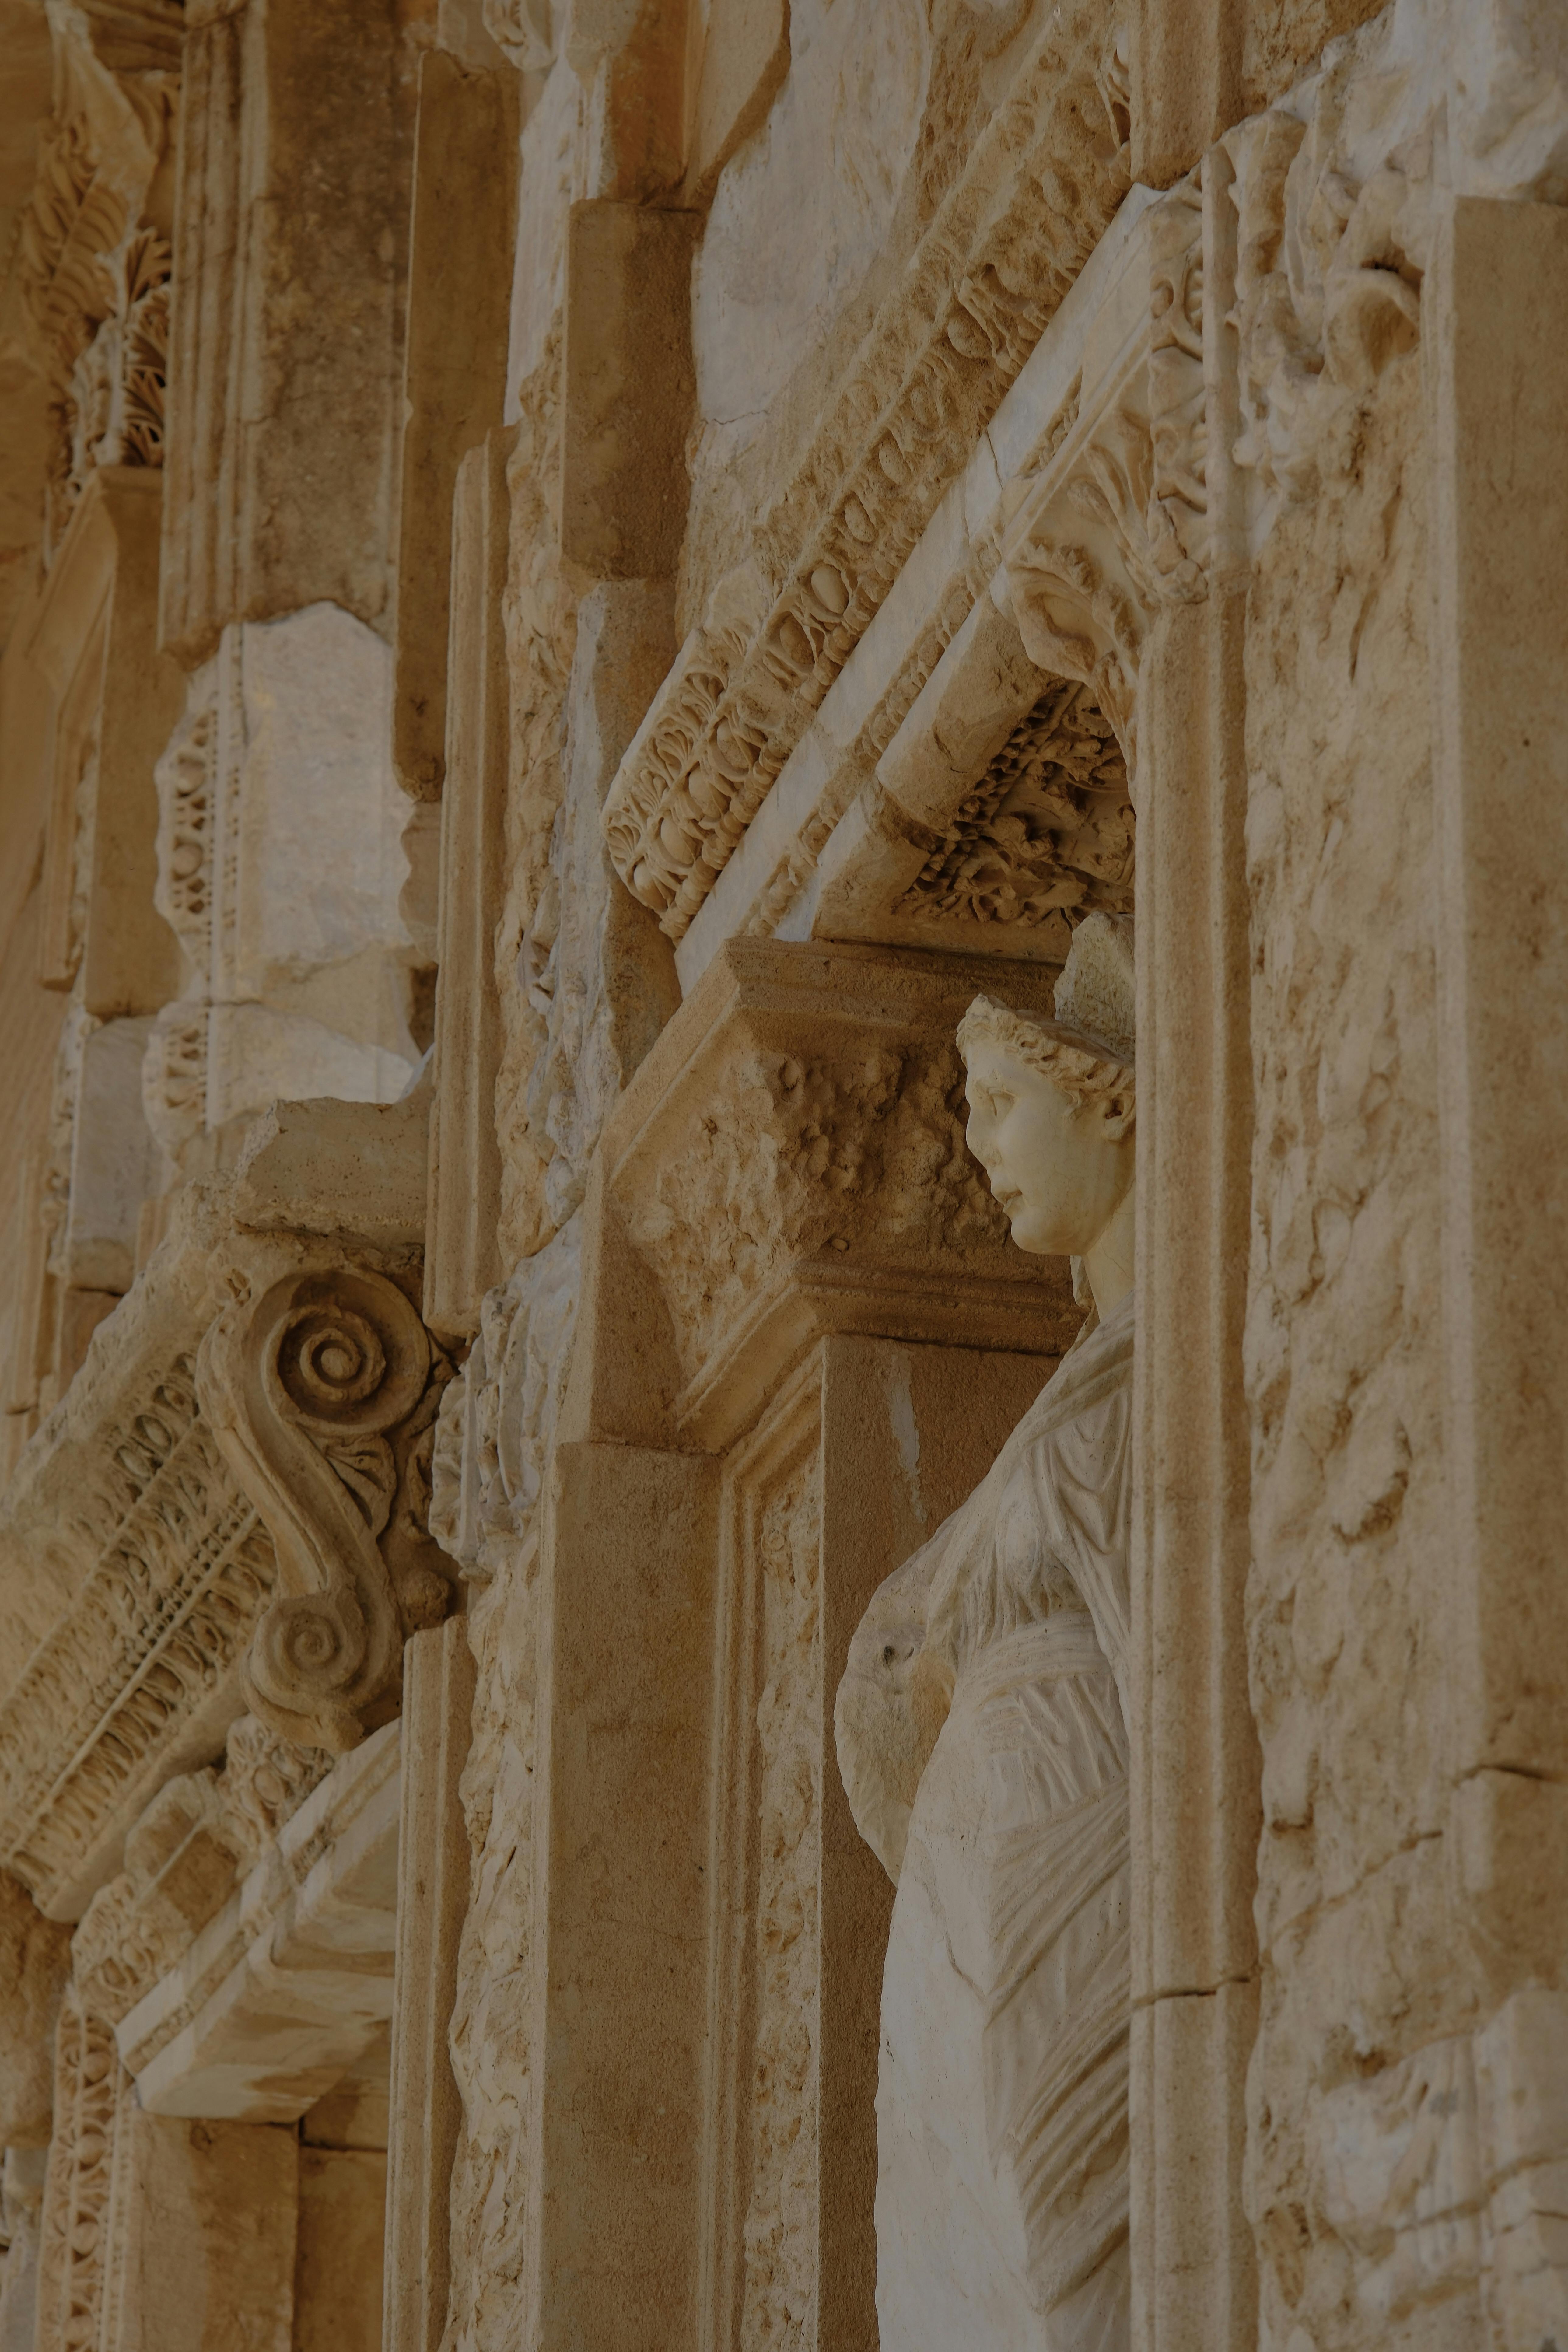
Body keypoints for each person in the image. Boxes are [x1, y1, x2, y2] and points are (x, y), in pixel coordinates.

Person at [834, 912, 1137, 2352]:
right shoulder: (1074, 1394)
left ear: (1111, 1104)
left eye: (1006, 1107)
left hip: (1077, 1829)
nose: (981, 1147)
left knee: (1074, 2249)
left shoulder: (1153, 1377)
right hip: (987, 1864)